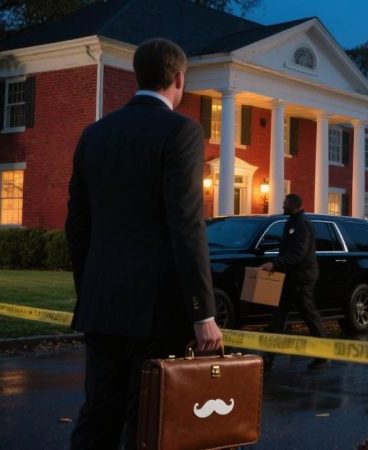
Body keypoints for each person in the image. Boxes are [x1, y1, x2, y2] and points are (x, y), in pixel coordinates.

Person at [65, 38, 223, 450]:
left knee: (98, 415)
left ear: (138, 76)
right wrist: (202, 311)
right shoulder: (183, 131)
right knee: (149, 422)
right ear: (179, 79)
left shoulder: (94, 134)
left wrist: (91, 290)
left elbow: (77, 227)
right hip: (155, 311)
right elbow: (187, 226)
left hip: (101, 305)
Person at [260, 194, 327, 371]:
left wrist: (276, 263)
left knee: (308, 314)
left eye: (285, 203)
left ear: (293, 204)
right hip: (290, 276)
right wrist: (278, 264)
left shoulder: (301, 224)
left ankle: (323, 353)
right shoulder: (292, 222)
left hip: (302, 278)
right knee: (279, 315)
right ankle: (269, 357)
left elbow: (298, 253)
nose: (282, 205)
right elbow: (289, 251)